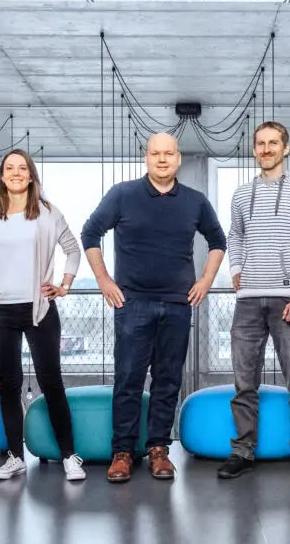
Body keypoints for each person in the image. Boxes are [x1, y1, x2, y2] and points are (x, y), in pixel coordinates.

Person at [81, 132, 226, 483]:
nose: (162, 159)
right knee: (128, 380)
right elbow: (90, 234)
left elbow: (218, 240)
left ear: (178, 159)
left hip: (177, 305)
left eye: (169, 153)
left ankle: (159, 448)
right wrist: (103, 280)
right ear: (147, 158)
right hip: (132, 305)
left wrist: (206, 280)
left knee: (167, 381)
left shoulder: (195, 201)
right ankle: (123, 452)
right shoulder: (122, 194)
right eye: (155, 153)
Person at [217, 121, 290, 482]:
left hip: (288, 300)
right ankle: (242, 450)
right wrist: (235, 269)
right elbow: (235, 235)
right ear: (254, 150)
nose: (266, 149)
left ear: (285, 148)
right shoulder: (240, 194)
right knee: (244, 382)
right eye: (260, 143)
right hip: (247, 301)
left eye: (273, 143)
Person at [0, 149, 85, 482]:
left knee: (52, 382)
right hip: (1, 312)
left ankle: (69, 456)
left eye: (23, 168)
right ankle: (14, 457)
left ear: (32, 175)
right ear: (2, 176)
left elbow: (72, 249)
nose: (16, 173)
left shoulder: (48, 213)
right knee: (10, 385)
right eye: (10, 168)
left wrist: (64, 284)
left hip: (39, 310)